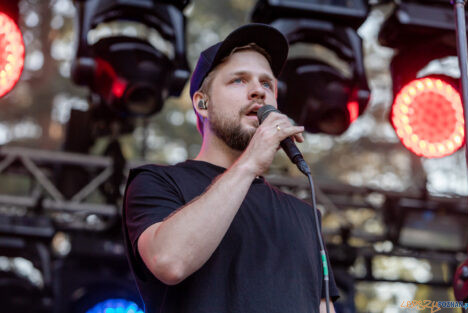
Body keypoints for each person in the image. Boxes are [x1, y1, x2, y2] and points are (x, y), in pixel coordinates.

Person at [122, 23, 339, 313]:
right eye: (239, 80)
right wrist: (250, 163)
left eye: (267, 84)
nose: (258, 92)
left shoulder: (304, 215)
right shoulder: (158, 182)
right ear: (202, 103)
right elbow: (169, 262)